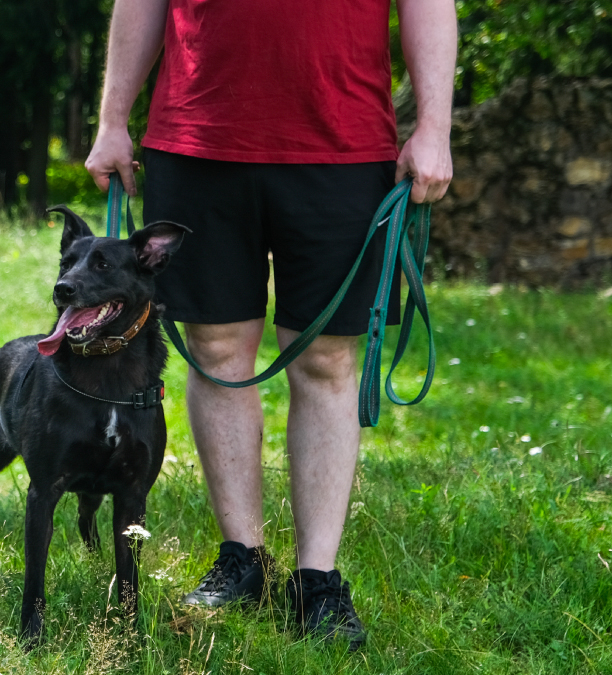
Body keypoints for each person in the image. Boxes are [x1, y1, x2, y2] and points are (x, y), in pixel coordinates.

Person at [85, 0, 456, 650]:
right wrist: (113, 118)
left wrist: (435, 126)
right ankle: (243, 559)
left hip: (342, 145)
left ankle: (318, 580)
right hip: (198, 138)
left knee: (328, 360)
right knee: (217, 346)